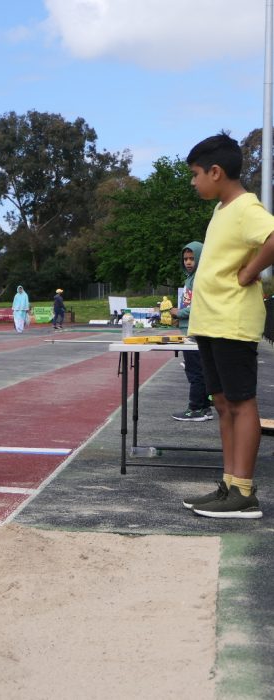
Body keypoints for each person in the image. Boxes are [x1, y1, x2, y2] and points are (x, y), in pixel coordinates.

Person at [181, 133, 274, 519]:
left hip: (232, 320)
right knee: (221, 403)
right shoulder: (222, 209)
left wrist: (252, 270)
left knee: (240, 401)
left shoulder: (245, 207)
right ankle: (229, 483)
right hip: (211, 319)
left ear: (216, 172)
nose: (193, 181)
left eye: (195, 174)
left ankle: (244, 491)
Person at [170, 242, 212, 422]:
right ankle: (204, 407)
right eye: (185, 259)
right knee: (198, 370)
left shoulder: (199, 278)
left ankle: (195, 408)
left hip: (194, 331)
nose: (188, 262)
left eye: (192, 258)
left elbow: (198, 307)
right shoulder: (190, 278)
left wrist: (178, 312)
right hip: (189, 328)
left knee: (195, 371)